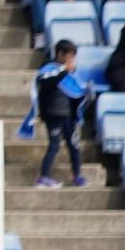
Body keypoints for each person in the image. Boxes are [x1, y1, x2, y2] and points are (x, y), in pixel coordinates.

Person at [32, 39, 87, 188]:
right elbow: (45, 84)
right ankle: (43, 177)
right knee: (54, 145)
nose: (71, 59)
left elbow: (76, 91)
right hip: (53, 114)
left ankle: (77, 176)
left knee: (74, 145)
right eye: (69, 55)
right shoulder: (48, 68)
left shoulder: (72, 73)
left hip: (68, 115)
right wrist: (64, 71)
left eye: (73, 56)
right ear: (60, 54)